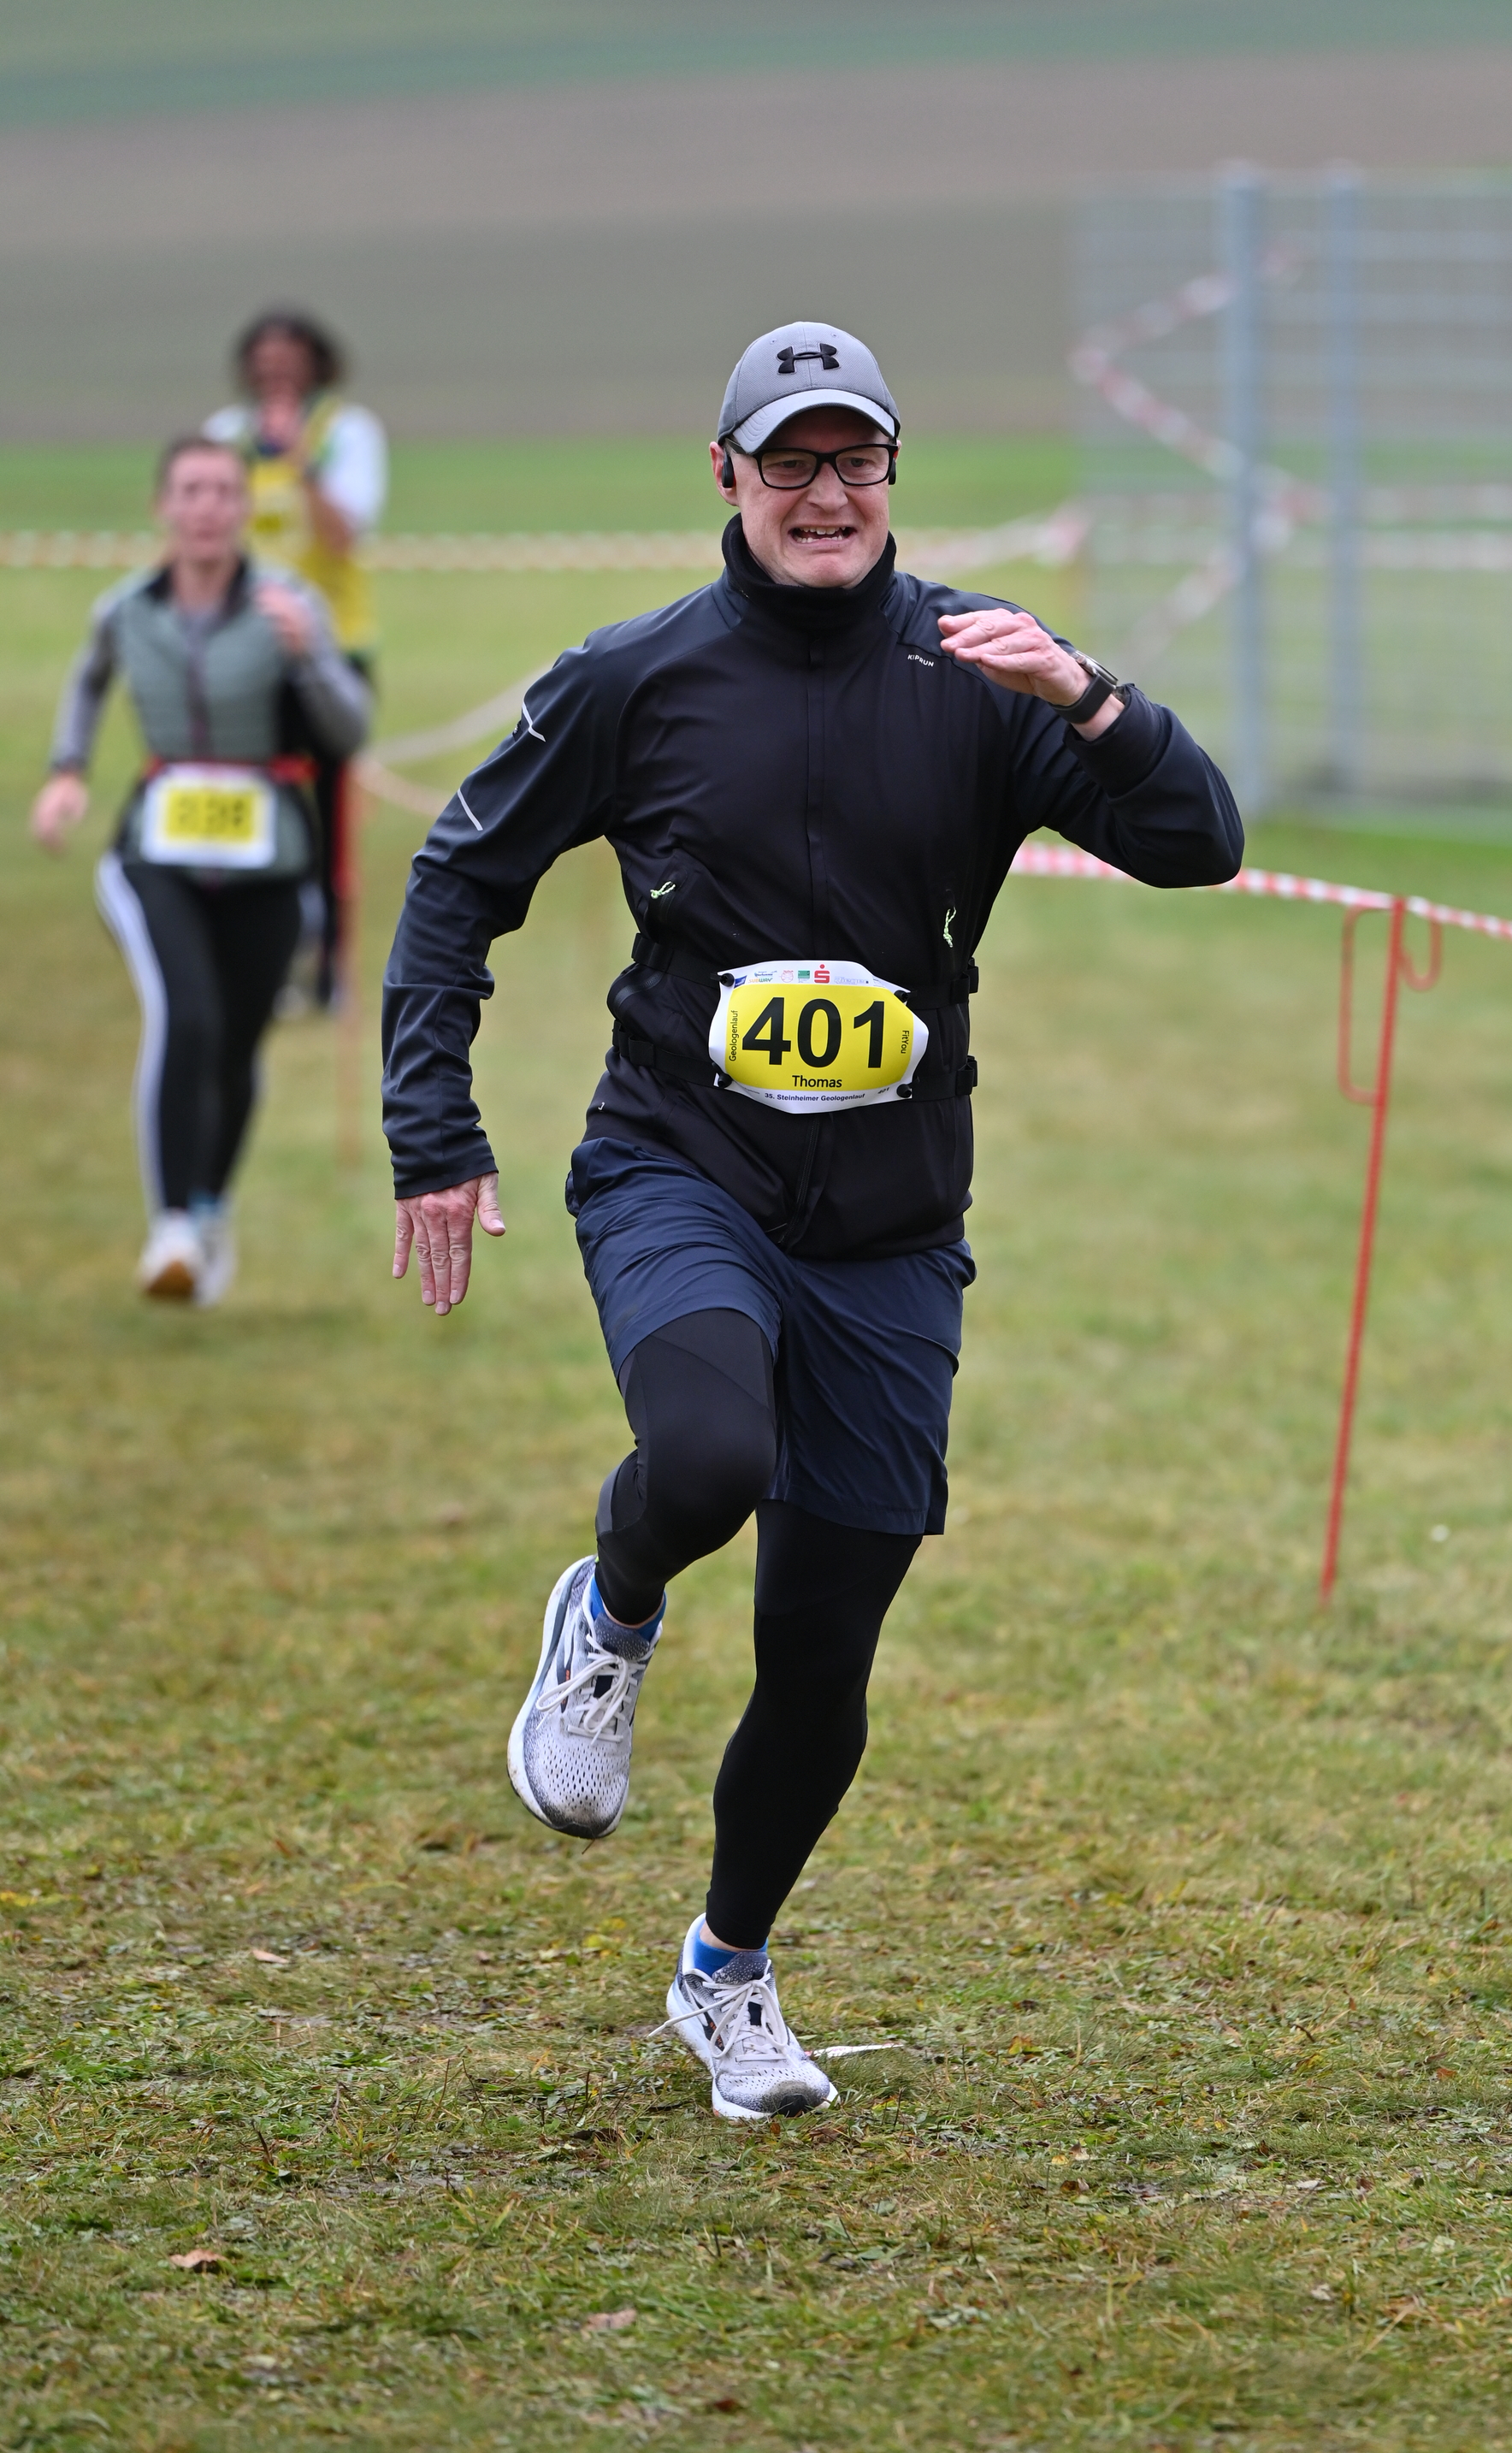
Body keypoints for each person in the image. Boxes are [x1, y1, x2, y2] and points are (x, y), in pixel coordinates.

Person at [382, 322, 1243, 2121]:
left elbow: (1198, 841)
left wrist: (1090, 699)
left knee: (825, 1640)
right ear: (728, 478)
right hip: (677, 1166)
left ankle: (728, 1972)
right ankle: (611, 1606)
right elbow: (461, 875)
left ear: (892, 477)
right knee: (708, 1454)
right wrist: (432, 1131)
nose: (825, 493)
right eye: (789, 461)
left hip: (891, 1226)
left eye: (854, 460)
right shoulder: (636, 679)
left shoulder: (982, 671)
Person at [31, 435, 370, 1304]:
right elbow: (89, 679)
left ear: (243, 508)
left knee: (237, 1042)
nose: (208, 507)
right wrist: (68, 771)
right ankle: (172, 1225)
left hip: (268, 861)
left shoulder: (288, 602)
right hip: (156, 856)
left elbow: (350, 730)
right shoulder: (125, 609)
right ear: (163, 507)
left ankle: (212, 1206)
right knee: (186, 1016)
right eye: (190, 491)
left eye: (223, 491)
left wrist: (308, 656)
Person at [206, 310, 387, 1010]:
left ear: (316, 364)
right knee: (254, 812)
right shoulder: (226, 436)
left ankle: (332, 970)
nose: (275, 373)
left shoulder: (347, 432)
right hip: (245, 653)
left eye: (289, 360)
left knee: (331, 818)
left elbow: (344, 534)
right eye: (264, 361)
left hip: (332, 650)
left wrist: (299, 462)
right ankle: (264, 958)